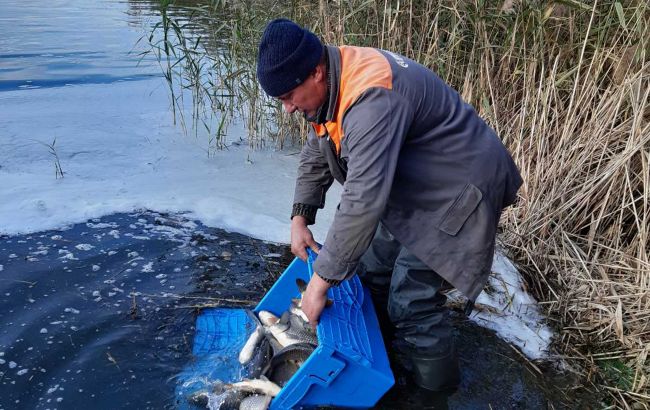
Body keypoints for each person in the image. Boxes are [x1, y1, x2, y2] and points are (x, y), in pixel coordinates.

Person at [256, 18, 522, 391]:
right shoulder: (333, 82)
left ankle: (433, 396)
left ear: (315, 72)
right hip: (418, 179)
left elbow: (363, 201)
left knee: (412, 302)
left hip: (462, 187)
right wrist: (300, 215)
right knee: (370, 272)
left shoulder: (370, 99)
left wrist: (318, 286)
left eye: (287, 96)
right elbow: (321, 146)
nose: (286, 109)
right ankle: (381, 369)